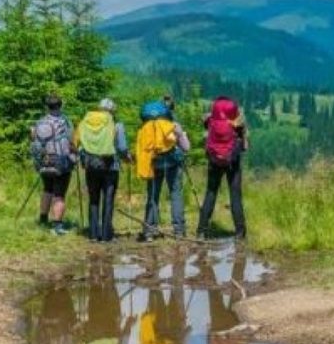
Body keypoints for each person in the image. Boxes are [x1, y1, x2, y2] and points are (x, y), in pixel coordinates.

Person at [75, 98, 131, 243]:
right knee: (108, 199)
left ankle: (93, 234)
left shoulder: (85, 123)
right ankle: (106, 236)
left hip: (91, 166)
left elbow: (77, 144)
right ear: (113, 111)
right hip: (110, 166)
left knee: (93, 199)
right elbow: (122, 147)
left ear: (99, 109)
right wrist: (127, 158)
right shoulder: (117, 125)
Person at [138, 96, 191, 242]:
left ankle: (149, 232)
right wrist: (183, 135)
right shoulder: (174, 125)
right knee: (175, 195)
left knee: (153, 196)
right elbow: (186, 148)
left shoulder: (146, 126)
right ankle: (179, 231)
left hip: (153, 163)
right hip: (172, 163)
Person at [196, 97, 248, 241]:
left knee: (211, 193)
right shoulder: (238, 124)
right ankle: (240, 232)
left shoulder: (210, 121)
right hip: (232, 162)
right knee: (235, 195)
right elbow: (245, 146)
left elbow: (204, 121)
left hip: (214, 161)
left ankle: (201, 231)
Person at [30, 94, 76, 236]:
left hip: (43, 162)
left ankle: (43, 219)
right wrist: (75, 156)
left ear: (47, 106)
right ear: (60, 105)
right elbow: (71, 142)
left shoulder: (40, 122)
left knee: (47, 189)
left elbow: (33, 138)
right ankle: (57, 226)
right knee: (59, 194)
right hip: (60, 163)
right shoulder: (64, 122)